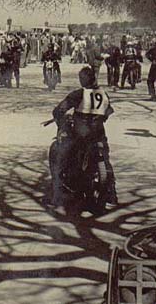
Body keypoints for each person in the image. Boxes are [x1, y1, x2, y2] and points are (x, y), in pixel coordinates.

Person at [48, 67, 117, 211]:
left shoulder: (79, 94)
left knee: (61, 155)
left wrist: (61, 120)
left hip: (81, 134)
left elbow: (59, 109)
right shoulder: (103, 94)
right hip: (98, 133)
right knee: (105, 159)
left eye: (81, 78)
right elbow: (107, 112)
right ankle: (112, 194)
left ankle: (57, 195)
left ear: (85, 79)